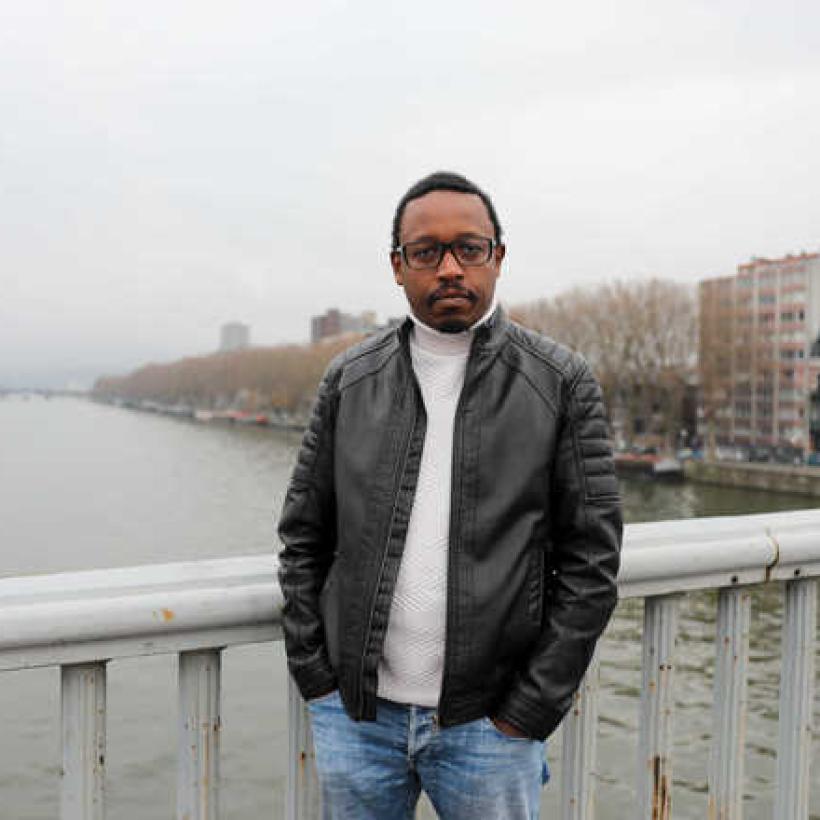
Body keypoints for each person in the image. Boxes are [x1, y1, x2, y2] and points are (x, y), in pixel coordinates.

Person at [277, 171, 622, 819]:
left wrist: (528, 711)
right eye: (426, 251)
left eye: (470, 248)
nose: (450, 268)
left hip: (489, 725)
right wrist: (318, 681)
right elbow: (304, 538)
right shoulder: (349, 380)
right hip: (358, 718)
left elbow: (591, 564)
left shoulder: (561, 382)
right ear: (397, 266)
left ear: (498, 256)